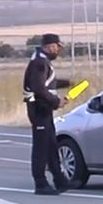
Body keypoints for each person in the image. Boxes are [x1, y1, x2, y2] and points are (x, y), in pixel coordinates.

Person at [23, 33, 72, 195]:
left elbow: (47, 83)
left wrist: (69, 83)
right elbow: (39, 89)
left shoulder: (41, 61)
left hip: (44, 109)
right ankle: (40, 183)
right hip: (39, 109)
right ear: (50, 46)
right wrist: (56, 102)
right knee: (41, 148)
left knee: (51, 145)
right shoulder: (39, 63)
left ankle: (60, 180)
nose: (58, 50)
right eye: (57, 47)